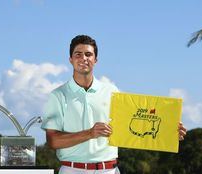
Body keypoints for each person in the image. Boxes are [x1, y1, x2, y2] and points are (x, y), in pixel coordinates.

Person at [41, 35, 187, 174]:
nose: (83, 58)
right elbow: (53, 141)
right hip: (72, 170)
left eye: (88, 54)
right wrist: (90, 133)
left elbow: (134, 125)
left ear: (96, 59)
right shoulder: (58, 95)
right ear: (70, 59)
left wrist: (169, 132)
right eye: (78, 54)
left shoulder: (112, 91)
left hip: (108, 170)